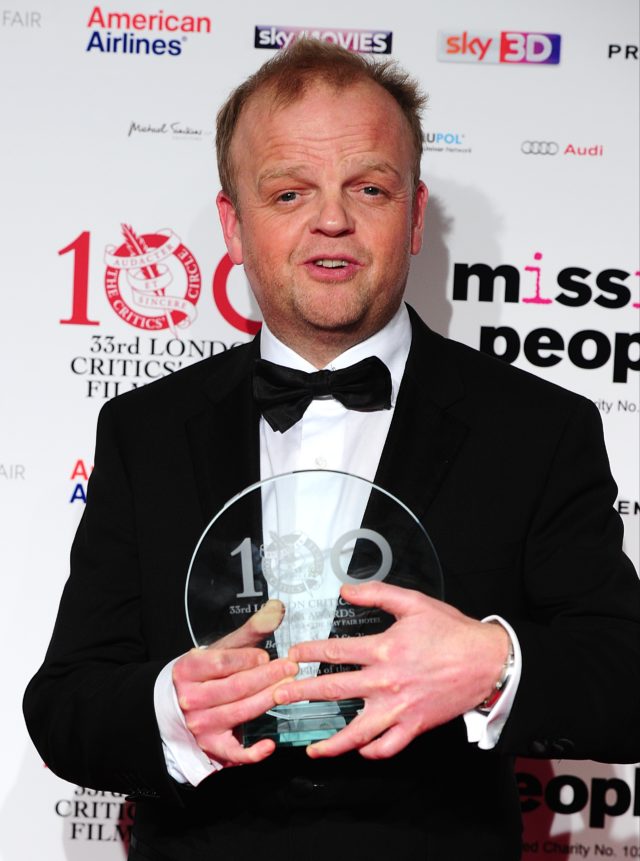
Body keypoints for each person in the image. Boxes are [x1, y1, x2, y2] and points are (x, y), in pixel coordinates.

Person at [24, 40, 640, 861]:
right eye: (288, 191)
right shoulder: (145, 431)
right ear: (233, 225)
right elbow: (65, 705)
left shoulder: (537, 428)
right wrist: (172, 706)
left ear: (414, 215)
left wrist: (494, 662)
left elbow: (626, 681)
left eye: (370, 187)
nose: (332, 219)